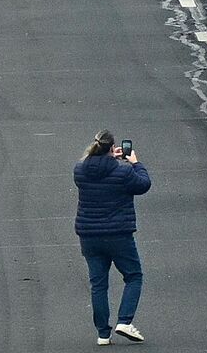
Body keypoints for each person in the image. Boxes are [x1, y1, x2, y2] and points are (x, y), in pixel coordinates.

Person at [74, 130, 151, 345]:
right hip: (118, 235)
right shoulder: (124, 173)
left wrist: (108, 159)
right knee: (133, 276)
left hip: (89, 236)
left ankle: (103, 334)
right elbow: (143, 184)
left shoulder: (80, 170)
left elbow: (93, 168)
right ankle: (124, 321)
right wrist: (135, 163)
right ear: (112, 147)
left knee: (98, 284)